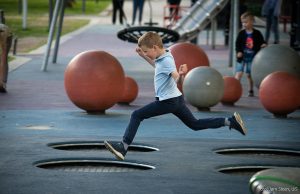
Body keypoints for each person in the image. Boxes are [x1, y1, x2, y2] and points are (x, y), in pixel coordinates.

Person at [105, 32, 248, 161]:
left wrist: (181, 75)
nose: (146, 53)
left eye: (147, 51)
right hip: (176, 100)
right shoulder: (165, 54)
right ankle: (230, 122)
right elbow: (158, 66)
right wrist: (143, 56)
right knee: (195, 124)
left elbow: (177, 79)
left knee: (136, 115)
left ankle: (123, 147)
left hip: (168, 101)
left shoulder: (167, 61)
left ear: (155, 47)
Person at [235, 12, 267, 97]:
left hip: (252, 57)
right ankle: (234, 89)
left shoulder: (257, 33)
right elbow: (237, 44)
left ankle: (251, 89)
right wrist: (238, 51)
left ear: (252, 22)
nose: (244, 24)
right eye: (242, 22)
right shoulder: (241, 33)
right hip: (242, 57)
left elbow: (262, 41)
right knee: (239, 73)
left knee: (249, 75)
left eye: (246, 22)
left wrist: (263, 44)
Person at [0, 24, 13, 93]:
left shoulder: (4, 33)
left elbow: (4, 57)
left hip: (7, 35)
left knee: (3, 56)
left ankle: (3, 83)